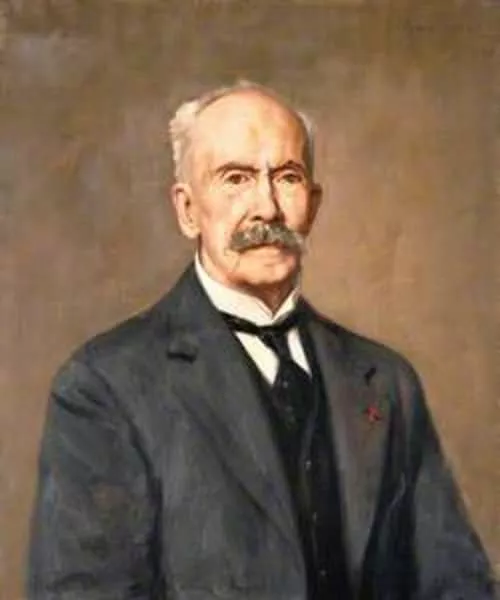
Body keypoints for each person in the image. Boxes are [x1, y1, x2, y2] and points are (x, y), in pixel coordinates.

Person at [28, 81, 495, 599]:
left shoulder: (386, 382)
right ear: (187, 210)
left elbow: (457, 584)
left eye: (288, 177)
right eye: (236, 178)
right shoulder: (105, 386)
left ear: (313, 204)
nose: (267, 208)